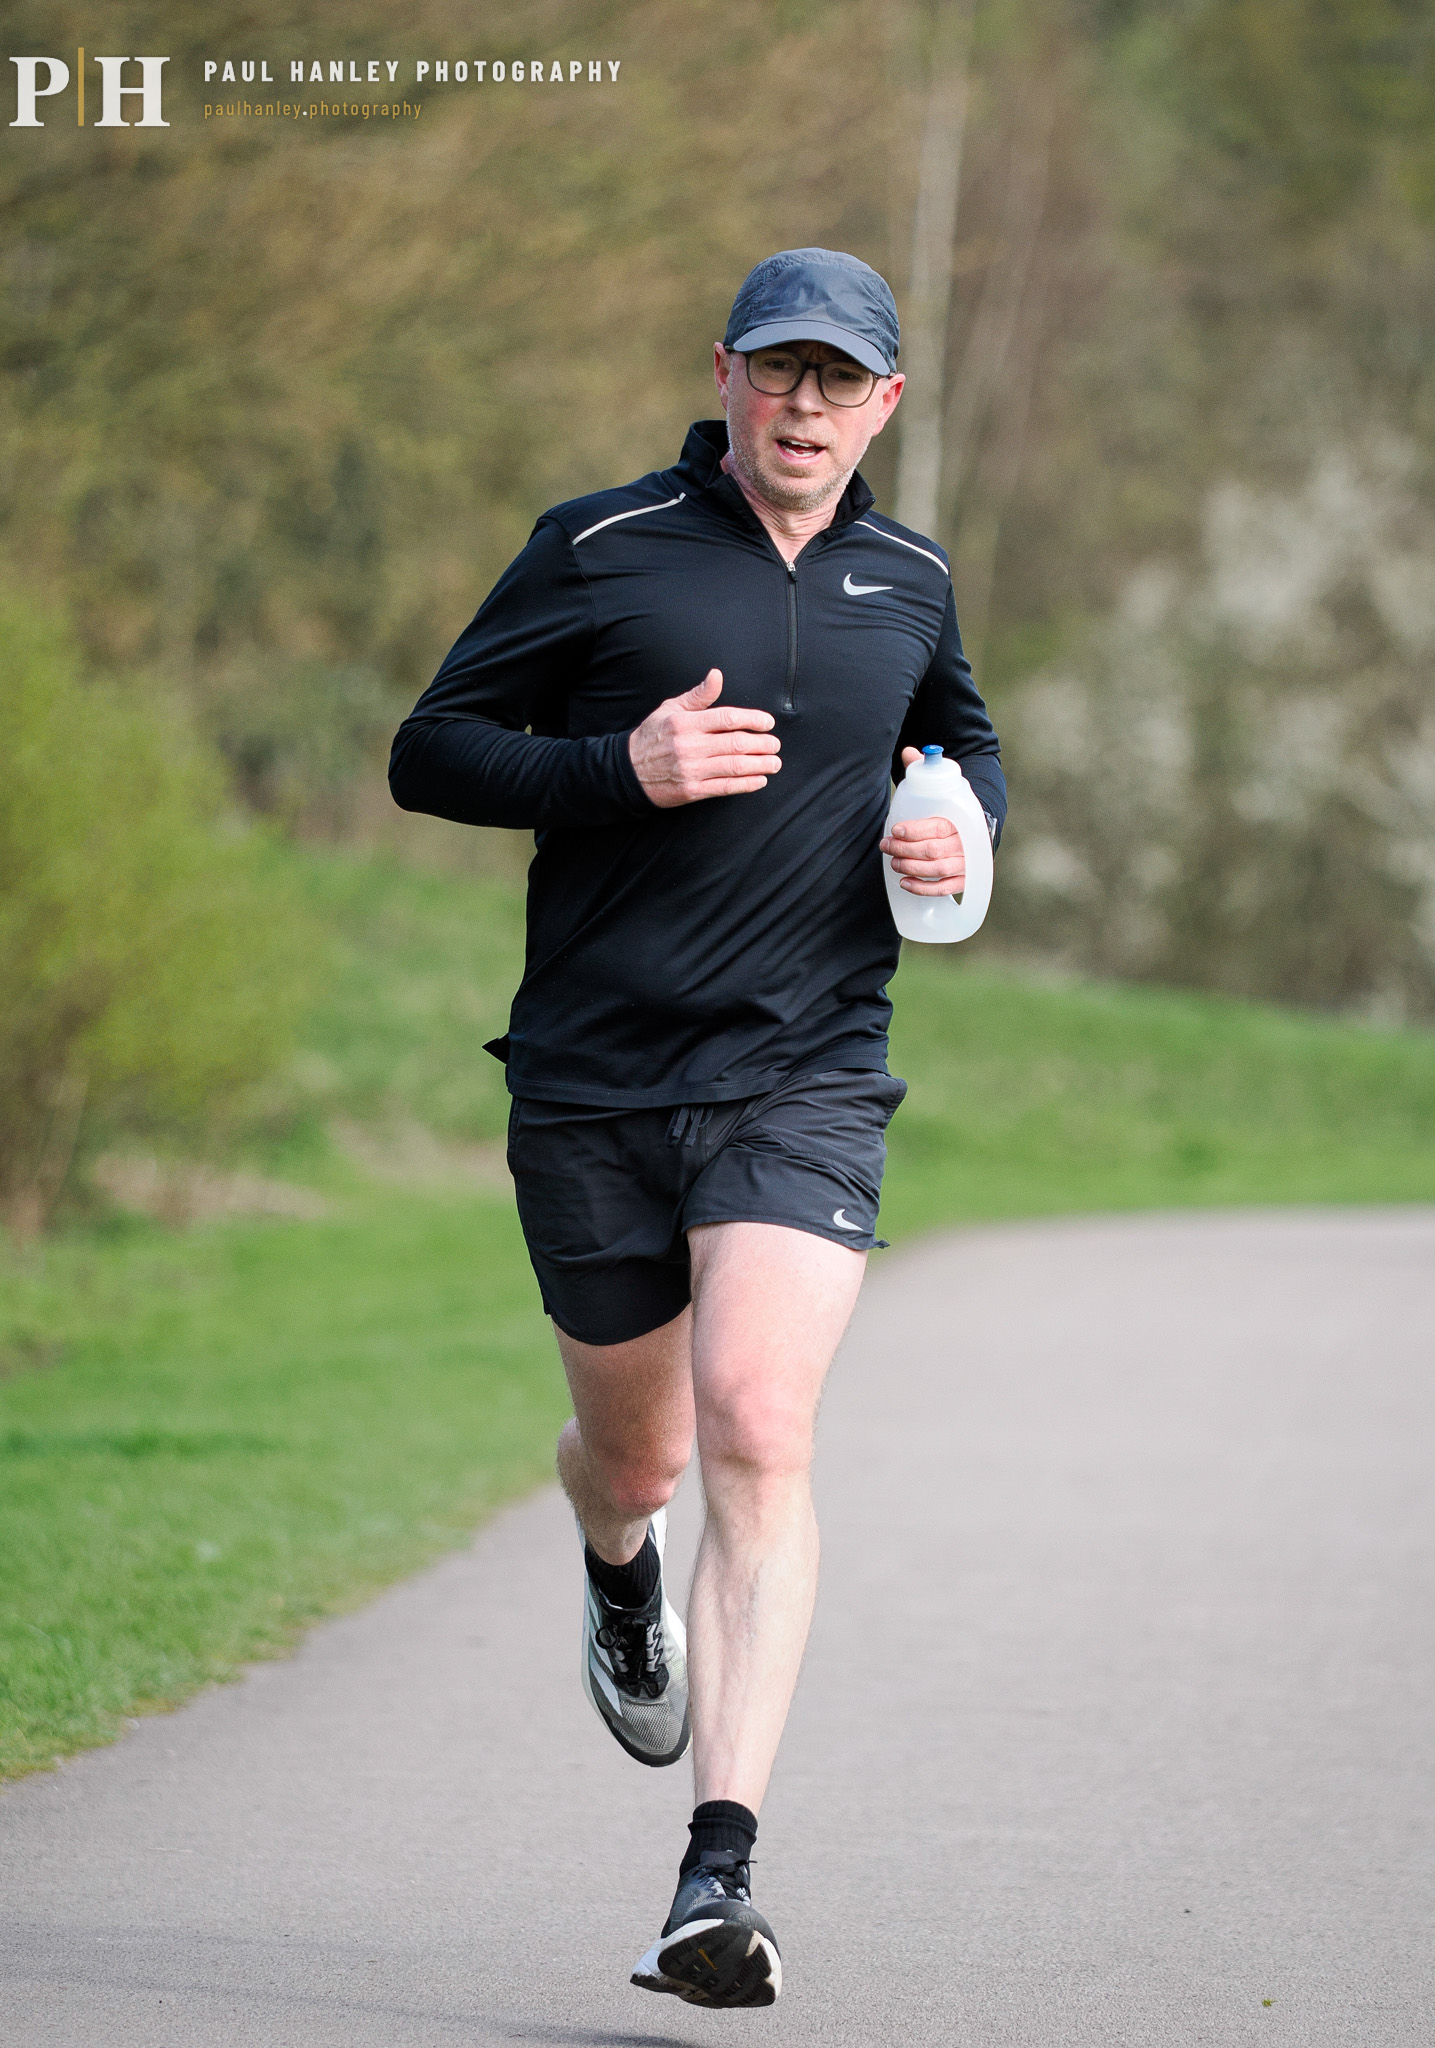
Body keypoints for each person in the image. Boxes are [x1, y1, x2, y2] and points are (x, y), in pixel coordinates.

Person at [389, 247, 1006, 2009]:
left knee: (757, 1418)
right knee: (641, 1461)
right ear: (726, 375)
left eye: (845, 383)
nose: (809, 408)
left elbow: (957, 744)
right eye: (781, 374)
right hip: (590, 1079)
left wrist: (960, 833)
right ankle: (614, 1572)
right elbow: (429, 752)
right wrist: (616, 771)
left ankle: (715, 1875)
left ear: (888, 403)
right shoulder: (597, 550)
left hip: (805, 1069)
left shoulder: (913, 575)